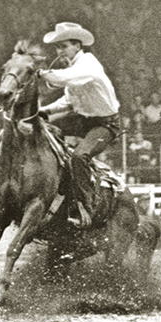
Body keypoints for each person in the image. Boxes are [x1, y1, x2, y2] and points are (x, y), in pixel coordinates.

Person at [38, 22, 121, 229]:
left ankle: (86, 206)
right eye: (58, 47)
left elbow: (65, 79)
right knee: (41, 127)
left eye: (63, 46)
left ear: (77, 46)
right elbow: (67, 101)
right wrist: (44, 111)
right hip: (82, 119)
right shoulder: (73, 68)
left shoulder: (88, 65)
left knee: (80, 156)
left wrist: (42, 74)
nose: (59, 51)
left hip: (105, 124)